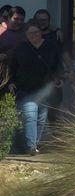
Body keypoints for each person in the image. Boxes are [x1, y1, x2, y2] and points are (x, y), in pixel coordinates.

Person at [8, 23, 62, 154]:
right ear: (26, 35)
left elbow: (58, 65)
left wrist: (59, 79)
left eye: (36, 32)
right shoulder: (21, 48)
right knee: (30, 116)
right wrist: (11, 82)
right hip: (26, 89)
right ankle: (31, 146)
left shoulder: (50, 47)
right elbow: (13, 67)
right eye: (30, 33)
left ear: (41, 32)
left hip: (44, 89)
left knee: (41, 119)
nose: (34, 35)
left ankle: (34, 146)